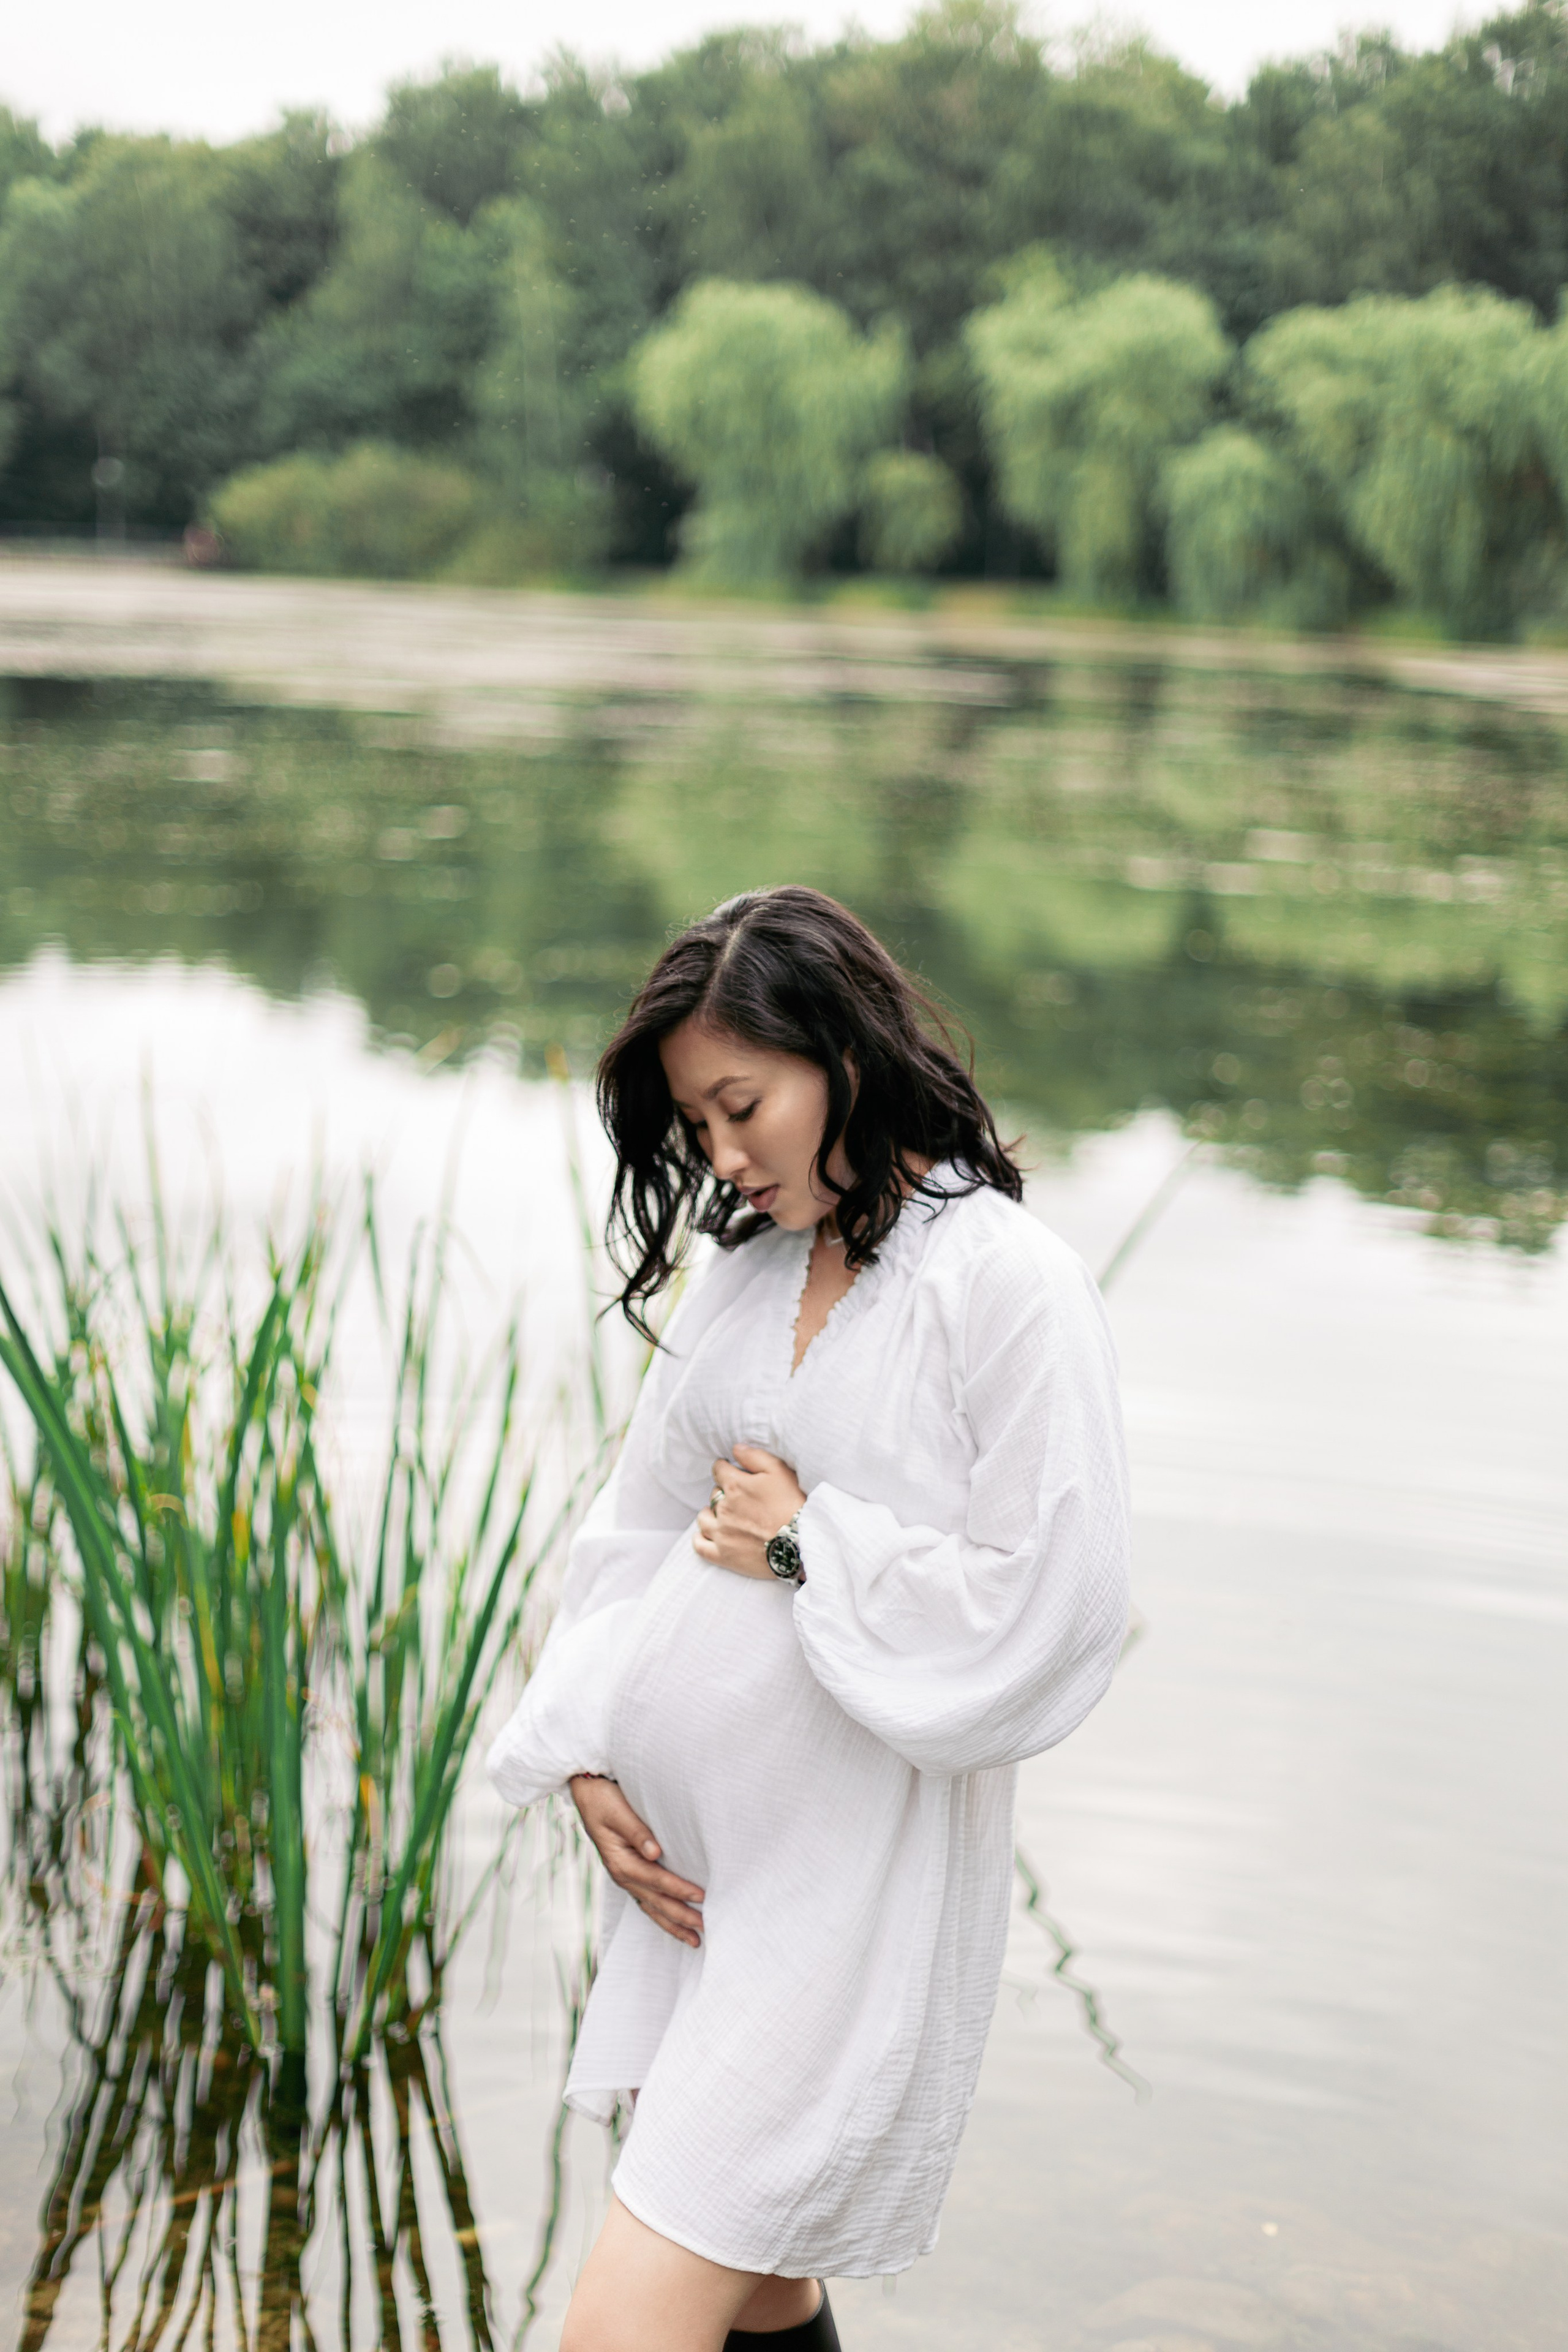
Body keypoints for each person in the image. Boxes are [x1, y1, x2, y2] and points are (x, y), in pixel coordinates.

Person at [486, 886, 1131, 2352]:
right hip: (699, 1893)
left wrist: (803, 1549)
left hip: (845, 1898)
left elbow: (1059, 1603)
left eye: (739, 1105)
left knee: (619, 2325)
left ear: (839, 1050)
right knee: (760, 2286)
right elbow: (634, 1533)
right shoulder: (750, 1274)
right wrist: (588, 1757)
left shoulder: (1007, 1285)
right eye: (694, 1125)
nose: (718, 1154)